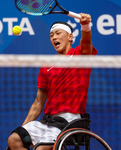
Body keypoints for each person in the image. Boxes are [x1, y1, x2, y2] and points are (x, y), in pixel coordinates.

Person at [7, 13, 97, 150]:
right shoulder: (46, 66)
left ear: (70, 37)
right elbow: (38, 102)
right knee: (14, 139)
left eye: (58, 33)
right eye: (51, 35)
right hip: (48, 121)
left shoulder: (80, 56)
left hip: (70, 120)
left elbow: (86, 41)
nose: (54, 37)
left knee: (41, 149)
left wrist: (85, 25)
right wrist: (24, 126)